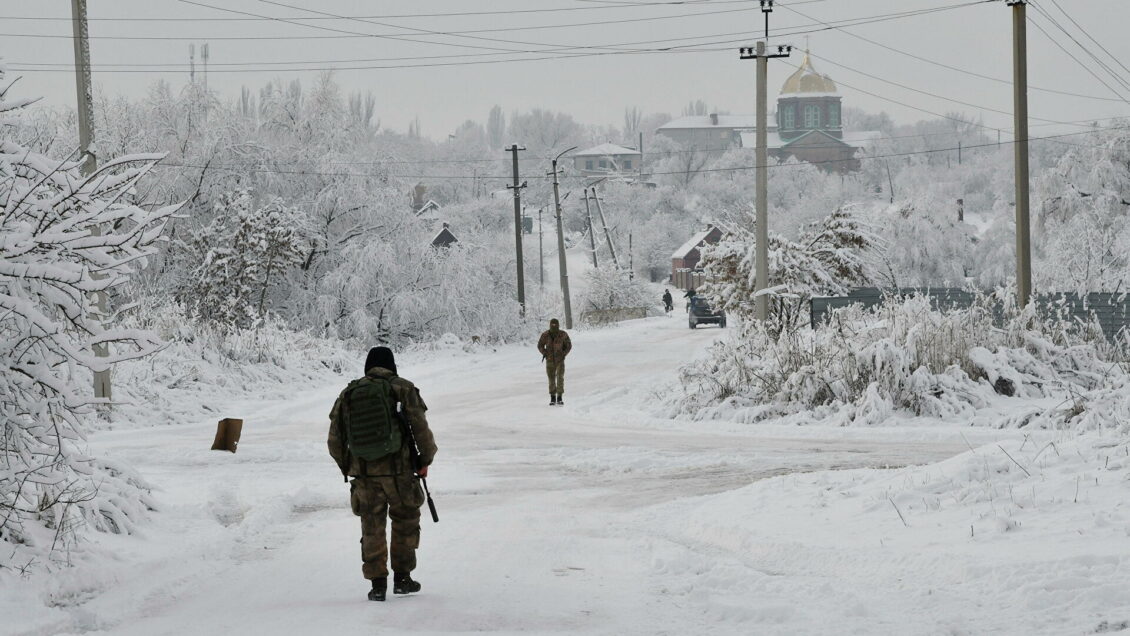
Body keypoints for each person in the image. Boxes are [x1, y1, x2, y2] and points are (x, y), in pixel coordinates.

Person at [328, 346, 438, 602]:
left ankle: (377, 585)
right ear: (392, 365)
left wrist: (349, 467)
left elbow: (335, 440)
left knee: (371, 525)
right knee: (405, 520)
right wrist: (425, 460)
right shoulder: (403, 388)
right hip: (399, 473)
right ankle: (402, 579)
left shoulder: (348, 393)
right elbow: (421, 430)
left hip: (364, 475)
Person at [537, 318, 572, 406]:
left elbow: (569, 345)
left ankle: (559, 397)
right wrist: (545, 353)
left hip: (560, 360)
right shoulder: (545, 335)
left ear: (558, 325)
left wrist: (563, 354)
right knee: (551, 378)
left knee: (560, 378)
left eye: (555, 325)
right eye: (552, 325)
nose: (554, 327)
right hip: (549, 360)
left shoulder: (563, 334)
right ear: (550, 325)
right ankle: (552, 397)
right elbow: (540, 345)